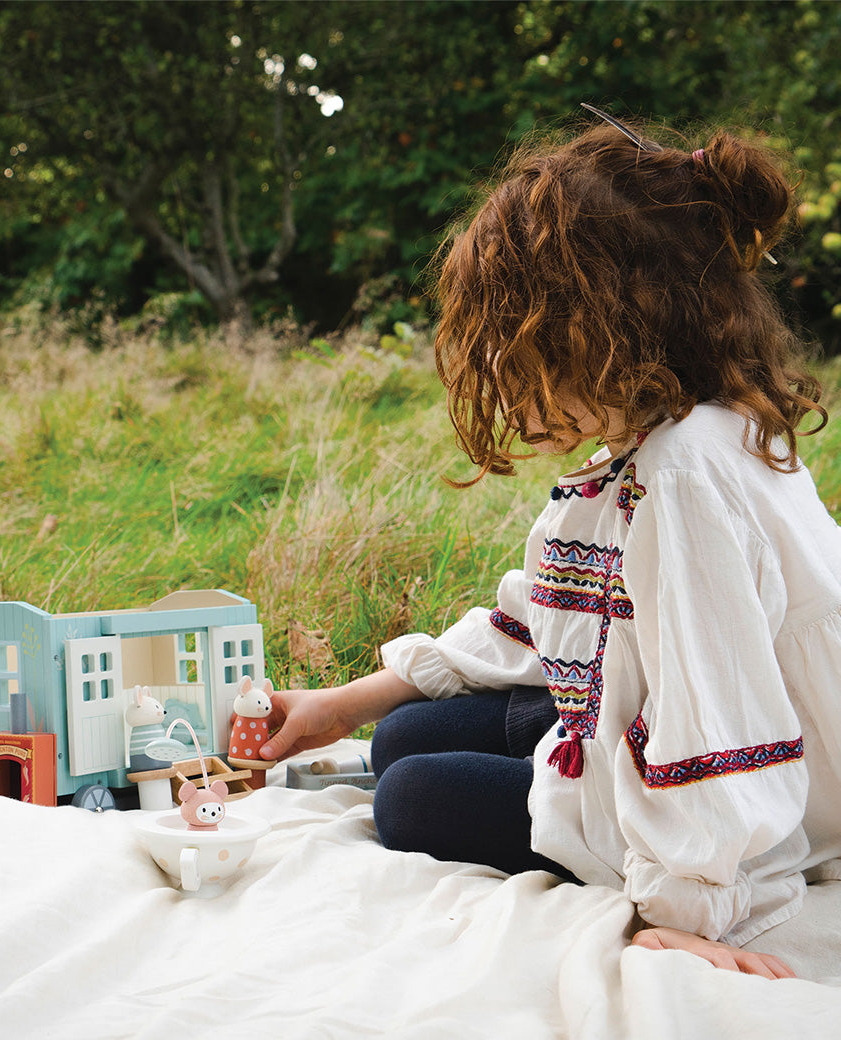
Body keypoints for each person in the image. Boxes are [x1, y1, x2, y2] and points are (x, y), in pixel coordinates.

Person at [258, 111, 841, 980]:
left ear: (609, 325)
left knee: (409, 795)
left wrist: (690, 911)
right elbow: (542, 614)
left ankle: (636, 835)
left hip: (781, 794)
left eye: (517, 344)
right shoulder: (661, 439)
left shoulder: (684, 475)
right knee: (398, 736)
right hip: (642, 715)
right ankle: (534, 760)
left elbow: (718, 719)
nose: (501, 376)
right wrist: (346, 703)